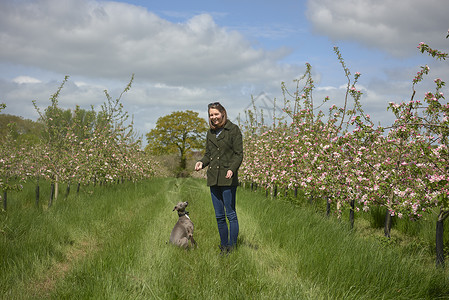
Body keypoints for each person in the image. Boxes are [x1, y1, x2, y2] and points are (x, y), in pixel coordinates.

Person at [195, 102, 243, 255]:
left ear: (223, 113)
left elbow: (238, 154)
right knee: (219, 216)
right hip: (213, 178)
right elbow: (208, 154)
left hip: (227, 178)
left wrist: (232, 169)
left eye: (216, 114)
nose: (213, 117)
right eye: (211, 115)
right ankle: (224, 246)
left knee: (230, 214)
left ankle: (232, 247)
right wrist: (201, 162)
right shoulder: (210, 133)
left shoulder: (233, 130)